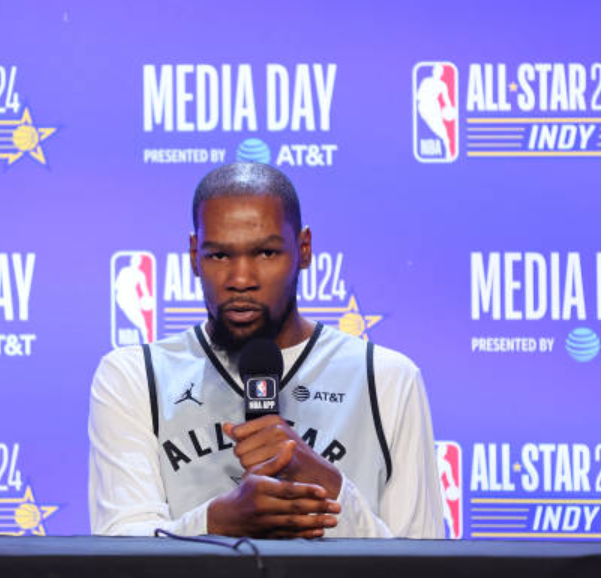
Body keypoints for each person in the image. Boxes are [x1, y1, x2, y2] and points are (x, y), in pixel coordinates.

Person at [88, 163, 443, 538]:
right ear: (194, 255)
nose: (241, 279)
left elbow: (425, 561)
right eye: (219, 256)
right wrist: (217, 522)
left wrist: (333, 493)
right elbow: (121, 545)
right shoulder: (135, 376)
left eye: (266, 253)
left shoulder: (385, 378)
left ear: (303, 250)